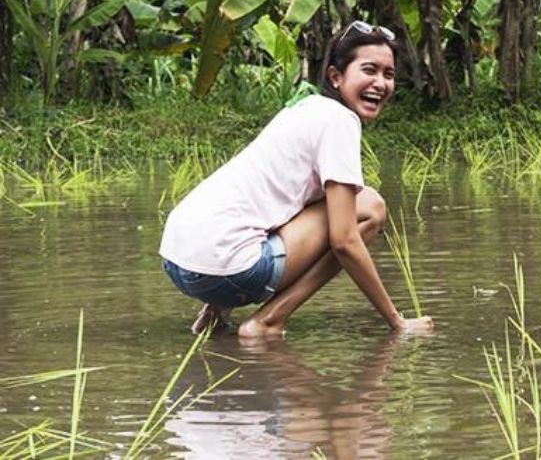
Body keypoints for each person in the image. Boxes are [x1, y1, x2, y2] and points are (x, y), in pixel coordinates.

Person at [160, 21, 434, 338]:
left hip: (177, 262)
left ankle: (213, 316)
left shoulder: (306, 107)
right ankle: (267, 321)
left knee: (308, 204)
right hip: (229, 272)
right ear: (335, 76)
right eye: (369, 70)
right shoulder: (340, 121)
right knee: (370, 207)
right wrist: (397, 322)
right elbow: (344, 242)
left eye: (388, 74)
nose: (380, 83)